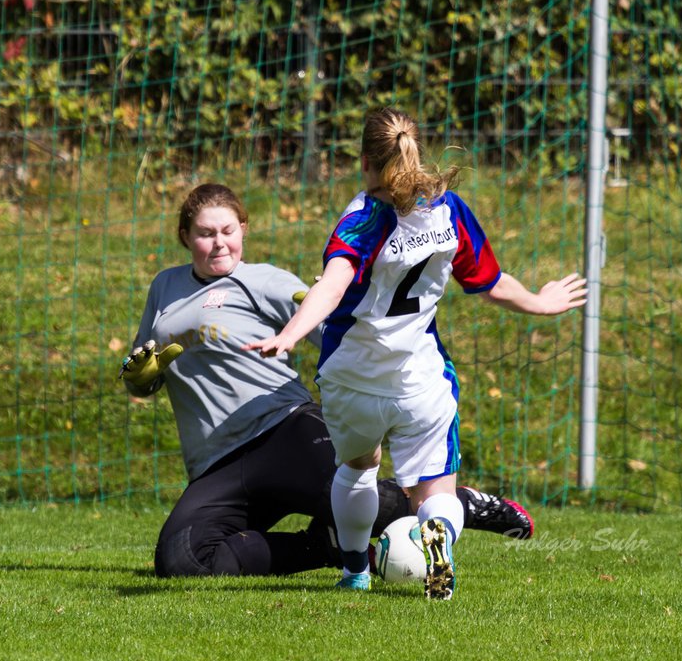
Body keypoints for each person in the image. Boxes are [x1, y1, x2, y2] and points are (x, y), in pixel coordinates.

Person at [245, 108, 587, 599]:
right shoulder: (447, 209)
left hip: (353, 378)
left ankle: (354, 572)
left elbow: (335, 285)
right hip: (420, 379)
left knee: (359, 467)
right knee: (436, 493)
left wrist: (293, 333)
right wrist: (540, 301)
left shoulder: (364, 219)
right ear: (415, 152)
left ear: (365, 160)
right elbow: (489, 284)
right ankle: (439, 544)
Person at [121, 182, 536, 579]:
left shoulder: (263, 280)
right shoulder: (165, 287)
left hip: (283, 432)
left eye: (228, 231)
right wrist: (140, 377)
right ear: (184, 236)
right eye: (205, 234)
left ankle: (465, 503)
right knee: (183, 558)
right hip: (217, 463)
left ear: (243, 229)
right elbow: (143, 368)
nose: (219, 243)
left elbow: (331, 323)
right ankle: (324, 546)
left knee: (371, 504)